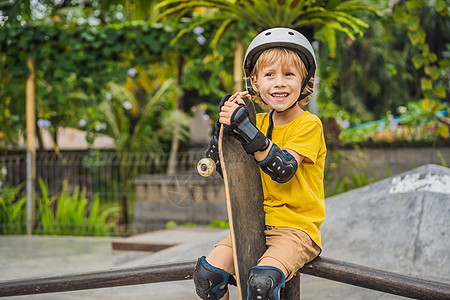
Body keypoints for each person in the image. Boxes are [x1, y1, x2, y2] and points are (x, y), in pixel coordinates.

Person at [194, 27, 327, 300]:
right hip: (251, 224)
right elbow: (225, 169)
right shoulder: (258, 123)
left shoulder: (308, 124)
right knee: (207, 277)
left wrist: (246, 129)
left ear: (305, 81)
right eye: (269, 75)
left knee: (262, 284)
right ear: (254, 83)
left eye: (289, 74)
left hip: (295, 230)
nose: (279, 83)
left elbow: (284, 170)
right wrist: (224, 128)